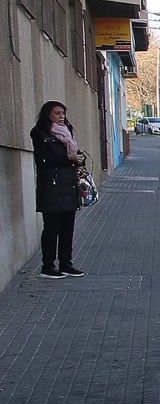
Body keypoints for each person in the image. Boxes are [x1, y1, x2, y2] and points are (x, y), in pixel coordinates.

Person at [31, 101, 87, 279]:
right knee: (51, 228)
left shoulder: (66, 133)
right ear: (48, 114)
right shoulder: (40, 134)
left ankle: (66, 264)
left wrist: (78, 157)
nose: (61, 116)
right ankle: (48, 266)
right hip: (51, 188)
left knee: (67, 229)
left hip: (68, 186)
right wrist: (67, 157)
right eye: (57, 113)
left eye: (63, 113)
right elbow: (44, 160)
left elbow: (77, 155)